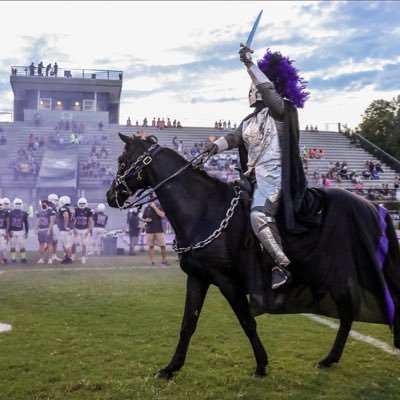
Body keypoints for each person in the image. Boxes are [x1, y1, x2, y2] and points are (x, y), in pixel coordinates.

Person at [205, 45, 309, 289]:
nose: (253, 89)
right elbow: (232, 138)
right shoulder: (249, 120)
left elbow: (268, 90)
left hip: (274, 177)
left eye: (257, 85)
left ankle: (281, 266)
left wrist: (250, 65)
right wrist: (210, 149)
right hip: (253, 178)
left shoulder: (280, 110)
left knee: (259, 215)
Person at [142, 197, 169, 266]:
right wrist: (146, 220)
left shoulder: (159, 206)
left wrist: (155, 207)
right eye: (151, 201)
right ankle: (152, 261)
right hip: (149, 230)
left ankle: (164, 260)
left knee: (163, 246)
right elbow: (143, 218)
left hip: (159, 230)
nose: (153, 202)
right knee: (151, 246)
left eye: (154, 200)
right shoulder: (147, 208)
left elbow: (162, 215)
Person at [72, 197, 93, 264]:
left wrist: (88, 231)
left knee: (84, 245)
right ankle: (73, 256)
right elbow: (73, 221)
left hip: (85, 229)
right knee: (74, 244)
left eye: (83, 203)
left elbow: (90, 221)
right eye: (80, 203)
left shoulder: (89, 210)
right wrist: (74, 229)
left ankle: (83, 258)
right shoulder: (75, 210)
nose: (81, 205)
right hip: (77, 229)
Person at [8, 198, 29, 264]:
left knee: (22, 246)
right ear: (14, 204)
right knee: (12, 246)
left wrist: (27, 232)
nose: (18, 205)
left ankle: (23, 258)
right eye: (17, 204)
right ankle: (13, 259)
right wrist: (8, 231)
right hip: (12, 231)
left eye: (19, 204)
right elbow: (8, 223)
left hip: (20, 231)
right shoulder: (10, 213)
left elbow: (26, 223)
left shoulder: (24, 213)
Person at [35, 199, 55, 264]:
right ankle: (41, 258)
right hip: (41, 230)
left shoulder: (50, 211)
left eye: (44, 203)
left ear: (47, 204)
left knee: (49, 244)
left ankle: (50, 258)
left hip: (47, 229)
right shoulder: (39, 211)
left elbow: (52, 221)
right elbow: (38, 221)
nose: (43, 205)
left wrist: (49, 230)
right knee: (41, 244)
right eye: (42, 203)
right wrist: (36, 229)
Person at [57, 195, 74, 264]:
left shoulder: (64, 208)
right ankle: (67, 257)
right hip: (70, 229)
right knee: (67, 244)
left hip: (65, 230)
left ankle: (69, 259)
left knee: (67, 245)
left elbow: (66, 216)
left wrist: (65, 225)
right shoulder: (72, 208)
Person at [0, 198, 10, 264]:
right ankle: (1, 259)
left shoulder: (6, 212)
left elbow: (8, 222)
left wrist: (7, 233)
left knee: (3, 247)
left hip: (3, 230)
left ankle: (5, 258)